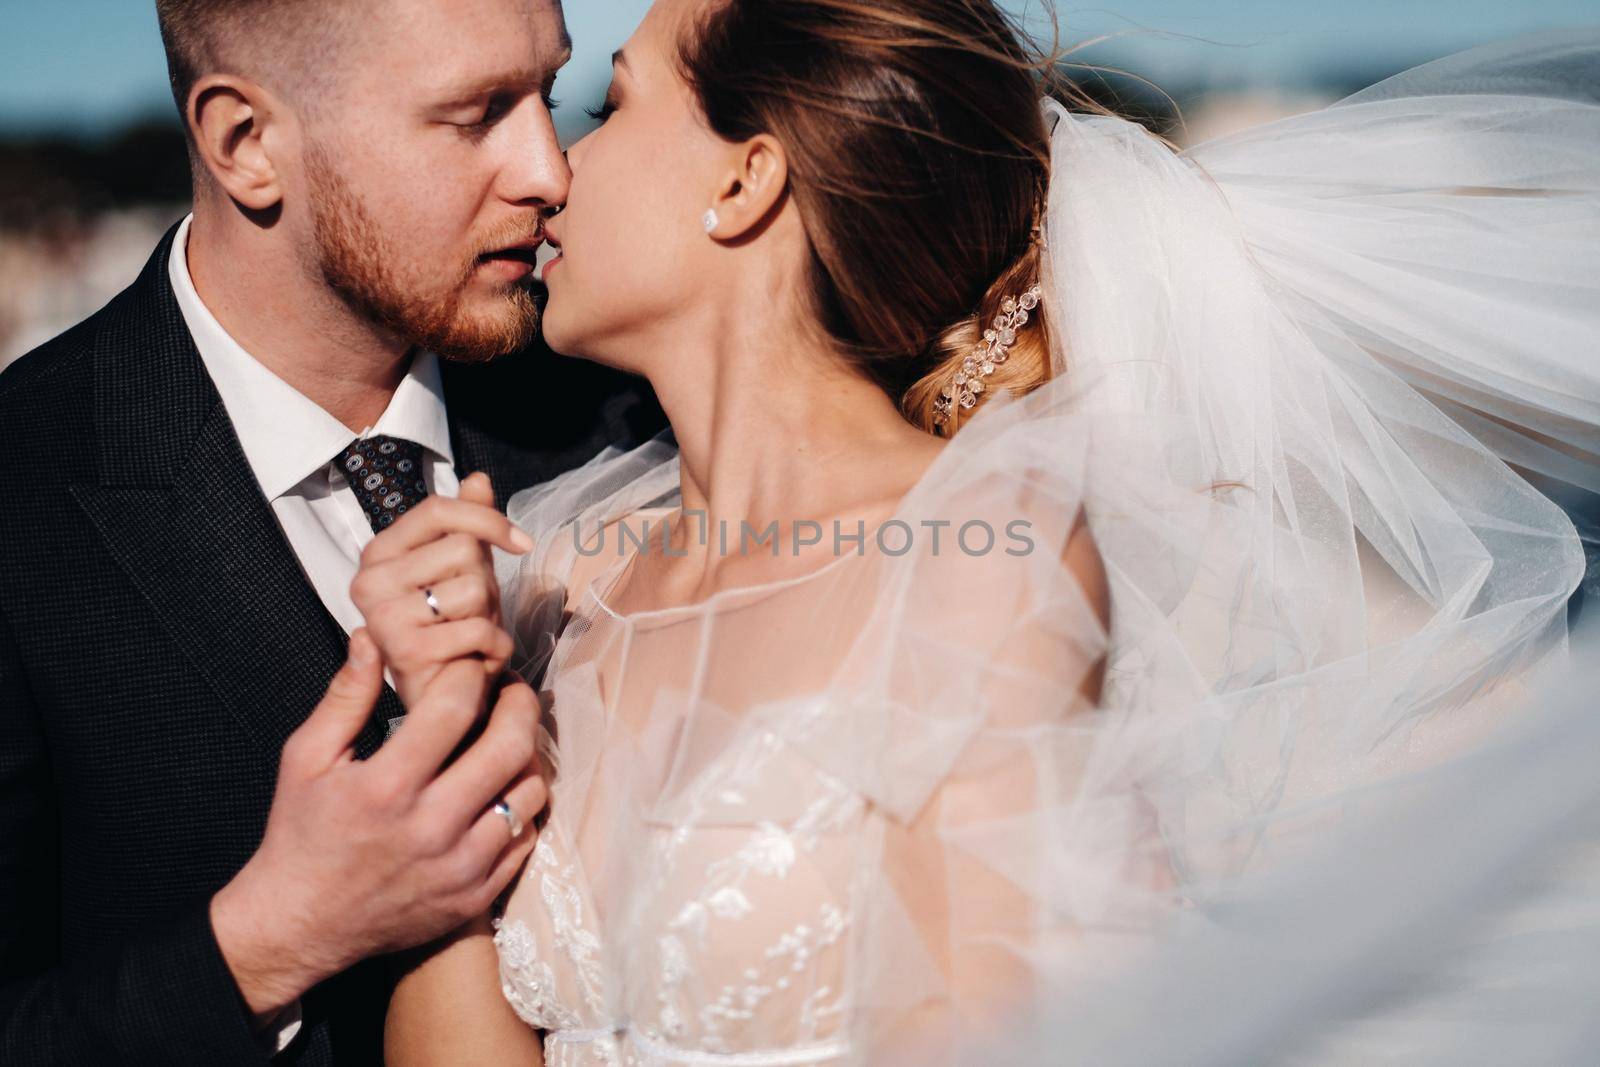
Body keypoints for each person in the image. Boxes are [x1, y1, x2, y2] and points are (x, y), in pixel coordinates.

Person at [357, 0, 1600, 1064]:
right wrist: (448, 717)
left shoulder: (989, 550)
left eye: (608, 108)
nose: (553, 170)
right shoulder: (553, 572)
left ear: (745, 181)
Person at [0, 0, 659, 1063]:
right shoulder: (22, 492)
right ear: (246, 145)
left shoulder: (627, 408)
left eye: (549, 93)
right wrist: (269, 940)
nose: (549, 169)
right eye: (475, 112)